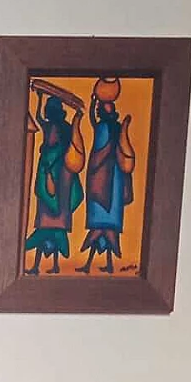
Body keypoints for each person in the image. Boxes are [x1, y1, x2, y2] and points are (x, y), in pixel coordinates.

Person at [79, 77, 136, 275]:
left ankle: (98, 264)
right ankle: (98, 264)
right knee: (103, 227)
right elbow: (93, 120)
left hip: (107, 183)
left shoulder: (107, 128)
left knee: (102, 227)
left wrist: (95, 98)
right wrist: (94, 98)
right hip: (110, 183)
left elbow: (93, 122)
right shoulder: (110, 127)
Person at [24, 93, 84, 275]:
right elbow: (40, 119)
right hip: (46, 196)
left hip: (59, 195)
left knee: (54, 231)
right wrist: (40, 97)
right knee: (43, 229)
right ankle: (36, 266)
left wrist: (77, 118)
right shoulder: (49, 127)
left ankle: (54, 265)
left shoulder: (62, 151)